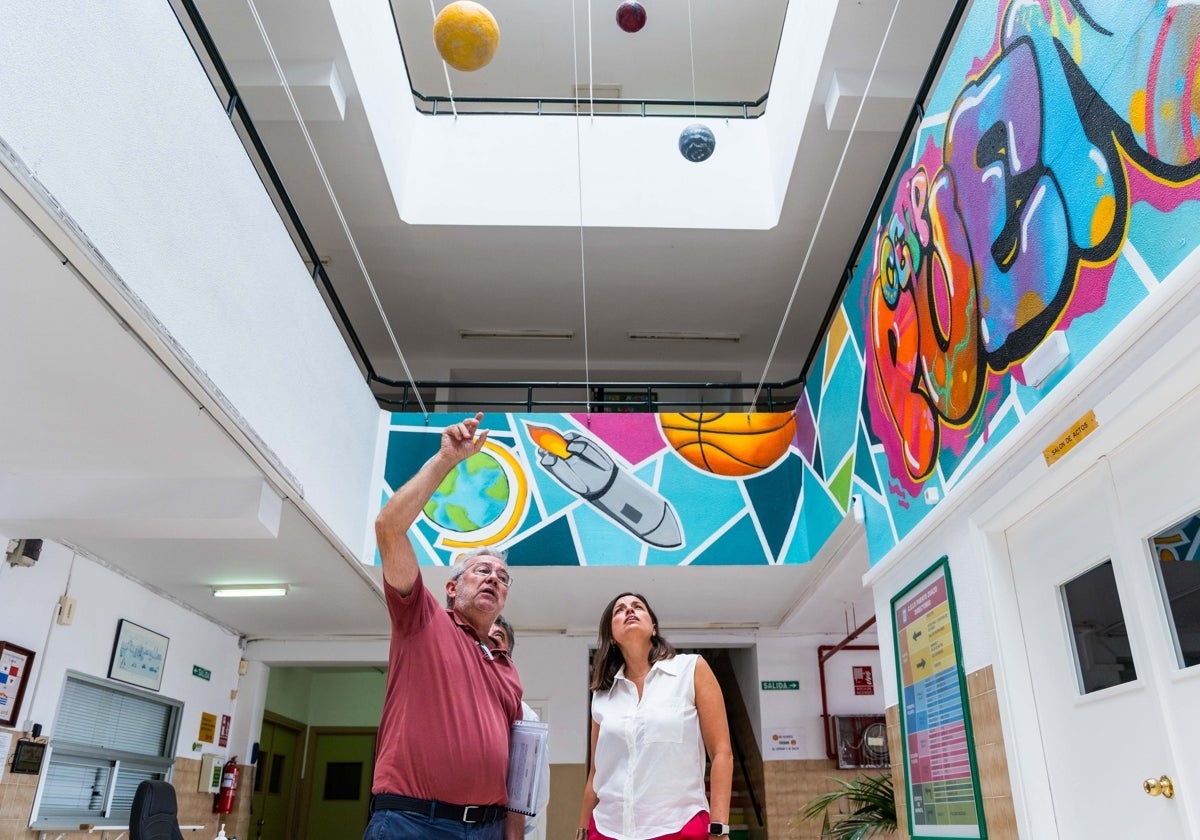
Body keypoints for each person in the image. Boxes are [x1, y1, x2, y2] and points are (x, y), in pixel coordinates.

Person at [366, 412, 525, 840]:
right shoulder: (422, 619)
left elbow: (519, 759)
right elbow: (389, 527)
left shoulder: (505, 664)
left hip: (489, 827)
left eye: (502, 577)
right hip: (413, 823)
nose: (494, 577)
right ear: (451, 588)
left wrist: (514, 832)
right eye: (481, 570)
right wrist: (446, 460)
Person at [578, 593, 733, 840]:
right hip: (607, 829)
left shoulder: (691, 669)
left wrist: (719, 827)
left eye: (637, 607)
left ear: (653, 627)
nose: (629, 611)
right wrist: (582, 831)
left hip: (678, 827)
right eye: (619, 610)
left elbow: (721, 752)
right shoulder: (602, 694)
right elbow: (595, 774)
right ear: (611, 636)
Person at [488, 616, 551, 837]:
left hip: (494, 826)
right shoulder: (451, 701)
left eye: (498, 636)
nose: (489, 638)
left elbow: (526, 798)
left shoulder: (524, 716)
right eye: (483, 632)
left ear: (507, 653)